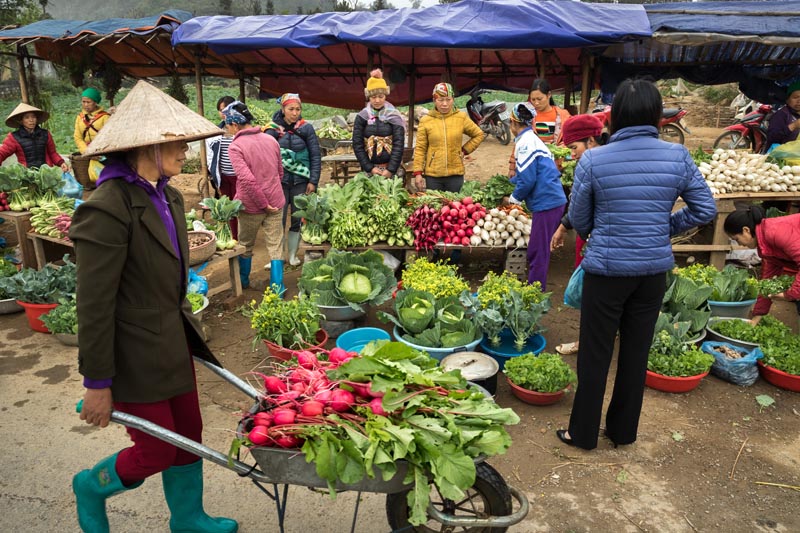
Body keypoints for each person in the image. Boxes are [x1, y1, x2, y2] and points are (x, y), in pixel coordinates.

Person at [68, 80, 236, 533]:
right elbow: (94, 304)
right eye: (176, 142)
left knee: (188, 436)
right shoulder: (106, 207)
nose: (185, 150)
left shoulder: (169, 194)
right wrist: (97, 382)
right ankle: (90, 486)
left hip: (172, 341)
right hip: (132, 354)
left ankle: (188, 518)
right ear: (146, 146)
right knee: (155, 450)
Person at [560, 78, 716, 451]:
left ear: (615, 117)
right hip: (651, 273)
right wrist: (663, 228)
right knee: (635, 353)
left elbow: (579, 220)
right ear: (655, 114)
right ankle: (622, 432)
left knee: (596, 355)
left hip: (606, 271)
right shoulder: (677, 155)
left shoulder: (594, 159)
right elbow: (705, 209)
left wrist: (609, 231)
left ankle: (582, 435)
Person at [549, 114, 606, 356]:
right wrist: (563, 226)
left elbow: (580, 209)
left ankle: (587, 342)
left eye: (574, 147)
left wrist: (568, 226)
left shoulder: (592, 165)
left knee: (592, 294)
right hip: (596, 238)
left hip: (596, 241)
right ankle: (603, 334)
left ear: (591, 141)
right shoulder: (603, 161)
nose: (572, 154)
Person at [224, 101, 286, 288]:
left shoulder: (236, 147)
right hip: (276, 202)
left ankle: (243, 282)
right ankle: (277, 288)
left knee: (245, 244)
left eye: (227, 125)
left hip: (252, 206)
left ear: (235, 125)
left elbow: (247, 181)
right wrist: (271, 197)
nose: (227, 129)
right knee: (275, 246)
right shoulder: (271, 140)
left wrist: (263, 203)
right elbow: (280, 172)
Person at [506, 102, 566, 290]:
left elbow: (528, 179)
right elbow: (530, 174)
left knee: (538, 251)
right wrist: (511, 183)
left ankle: (535, 291)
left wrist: (514, 198)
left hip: (547, 203)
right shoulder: (533, 138)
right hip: (551, 201)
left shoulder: (524, 143)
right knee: (537, 248)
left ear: (514, 123)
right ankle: (535, 286)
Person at [263, 93, 321, 267]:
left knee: (297, 219)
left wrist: (313, 181)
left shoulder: (306, 129)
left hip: (300, 182)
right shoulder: (271, 130)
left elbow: (315, 156)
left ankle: (293, 255)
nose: (295, 113)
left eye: (298, 109)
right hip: (278, 183)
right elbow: (265, 158)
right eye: (291, 109)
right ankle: (276, 257)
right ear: (283, 109)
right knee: (276, 220)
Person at [724, 205, 800, 320]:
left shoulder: (775, 233)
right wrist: (757, 316)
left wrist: (790, 295)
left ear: (746, 230)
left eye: (736, 239)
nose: (739, 244)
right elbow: (768, 278)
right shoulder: (765, 245)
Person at [413, 82, 485, 193]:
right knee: (435, 207)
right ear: (434, 101)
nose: (445, 104)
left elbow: (478, 134)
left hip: (455, 173)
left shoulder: (461, 117)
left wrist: (464, 150)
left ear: (453, 99)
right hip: (433, 175)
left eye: (448, 99)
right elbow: (420, 149)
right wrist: (418, 173)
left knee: (455, 206)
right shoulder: (426, 121)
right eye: (440, 100)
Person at [508, 78, 571, 178]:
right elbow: (520, 141)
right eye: (533, 99)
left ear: (549, 95)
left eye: (539, 99)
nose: (536, 103)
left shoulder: (563, 115)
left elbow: (569, 140)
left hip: (557, 165)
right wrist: (512, 166)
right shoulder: (528, 116)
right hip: (532, 164)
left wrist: (558, 149)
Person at [352, 69, 407, 178]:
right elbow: (357, 144)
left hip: (391, 170)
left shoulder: (394, 116)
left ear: (385, 95)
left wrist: (390, 169)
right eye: (373, 97)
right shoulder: (362, 117)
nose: (377, 100)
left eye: (380, 97)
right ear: (368, 97)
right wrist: (370, 168)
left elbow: (398, 144)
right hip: (370, 170)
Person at [205, 95, 240, 238]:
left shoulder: (240, 130)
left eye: (226, 109)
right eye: (221, 110)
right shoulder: (216, 132)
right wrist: (213, 174)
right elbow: (210, 156)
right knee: (227, 208)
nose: (223, 113)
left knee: (241, 206)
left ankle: (244, 237)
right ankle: (234, 237)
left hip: (240, 176)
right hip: (224, 176)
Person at [0, 102, 69, 171]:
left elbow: (52, 153)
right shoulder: (14, 138)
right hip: (27, 175)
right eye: (27, 117)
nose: (31, 120)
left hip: (46, 173)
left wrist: (61, 163)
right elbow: (2, 153)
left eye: (33, 117)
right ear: (21, 121)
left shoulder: (45, 134)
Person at [73, 87, 110, 154]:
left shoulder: (105, 117)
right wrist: (86, 151)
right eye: (83, 102)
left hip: (102, 152)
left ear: (95, 102)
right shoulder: (80, 117)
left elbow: (108, 137)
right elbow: (78, 137)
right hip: (86, 152)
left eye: (88, 102)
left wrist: (97, 151)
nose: (86, 105)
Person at [766, 80, 800, 149]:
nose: (799, 101)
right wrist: (793, 126)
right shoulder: (781, 115)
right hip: (781, 156)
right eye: (795, 97)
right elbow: (772, 138)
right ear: (787, 100)